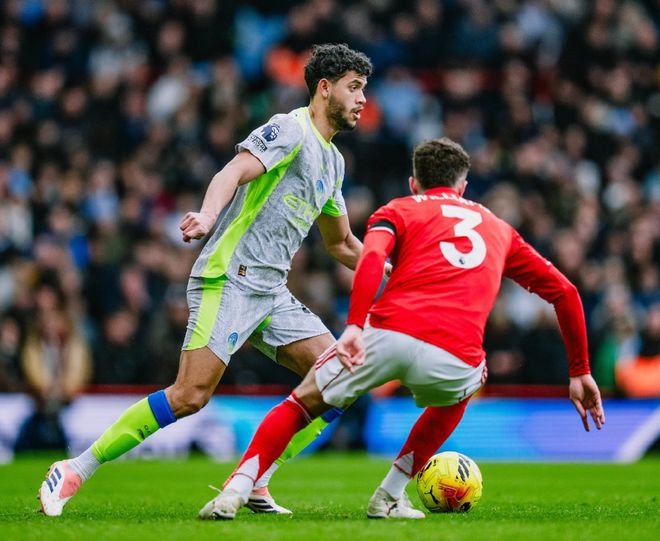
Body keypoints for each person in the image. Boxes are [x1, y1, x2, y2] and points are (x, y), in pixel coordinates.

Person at [39, 43, 376, 517]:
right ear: (324, 88)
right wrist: (208, 213)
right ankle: (75, 468)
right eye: (354, 88)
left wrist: (397, 272)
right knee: (190, 396)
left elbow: (342, 245)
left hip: (271, 293)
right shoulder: (290, 129)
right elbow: (233, 170)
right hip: (228, 279)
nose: (362, 99)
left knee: (340, 379)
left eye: (364, 89)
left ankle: (255, 479)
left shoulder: (333, 162)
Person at [204, 138, 606, 520]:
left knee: (301, 404)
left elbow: (371, 258)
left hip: (386, 333)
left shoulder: (399, 209)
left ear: (414, 183)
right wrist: (580, 371)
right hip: (455, 355)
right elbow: (566, 292)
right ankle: (389, 495)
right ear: (463, 186)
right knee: (471, 380)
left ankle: (235, 490)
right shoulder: (499, 228)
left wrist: (354, 326)